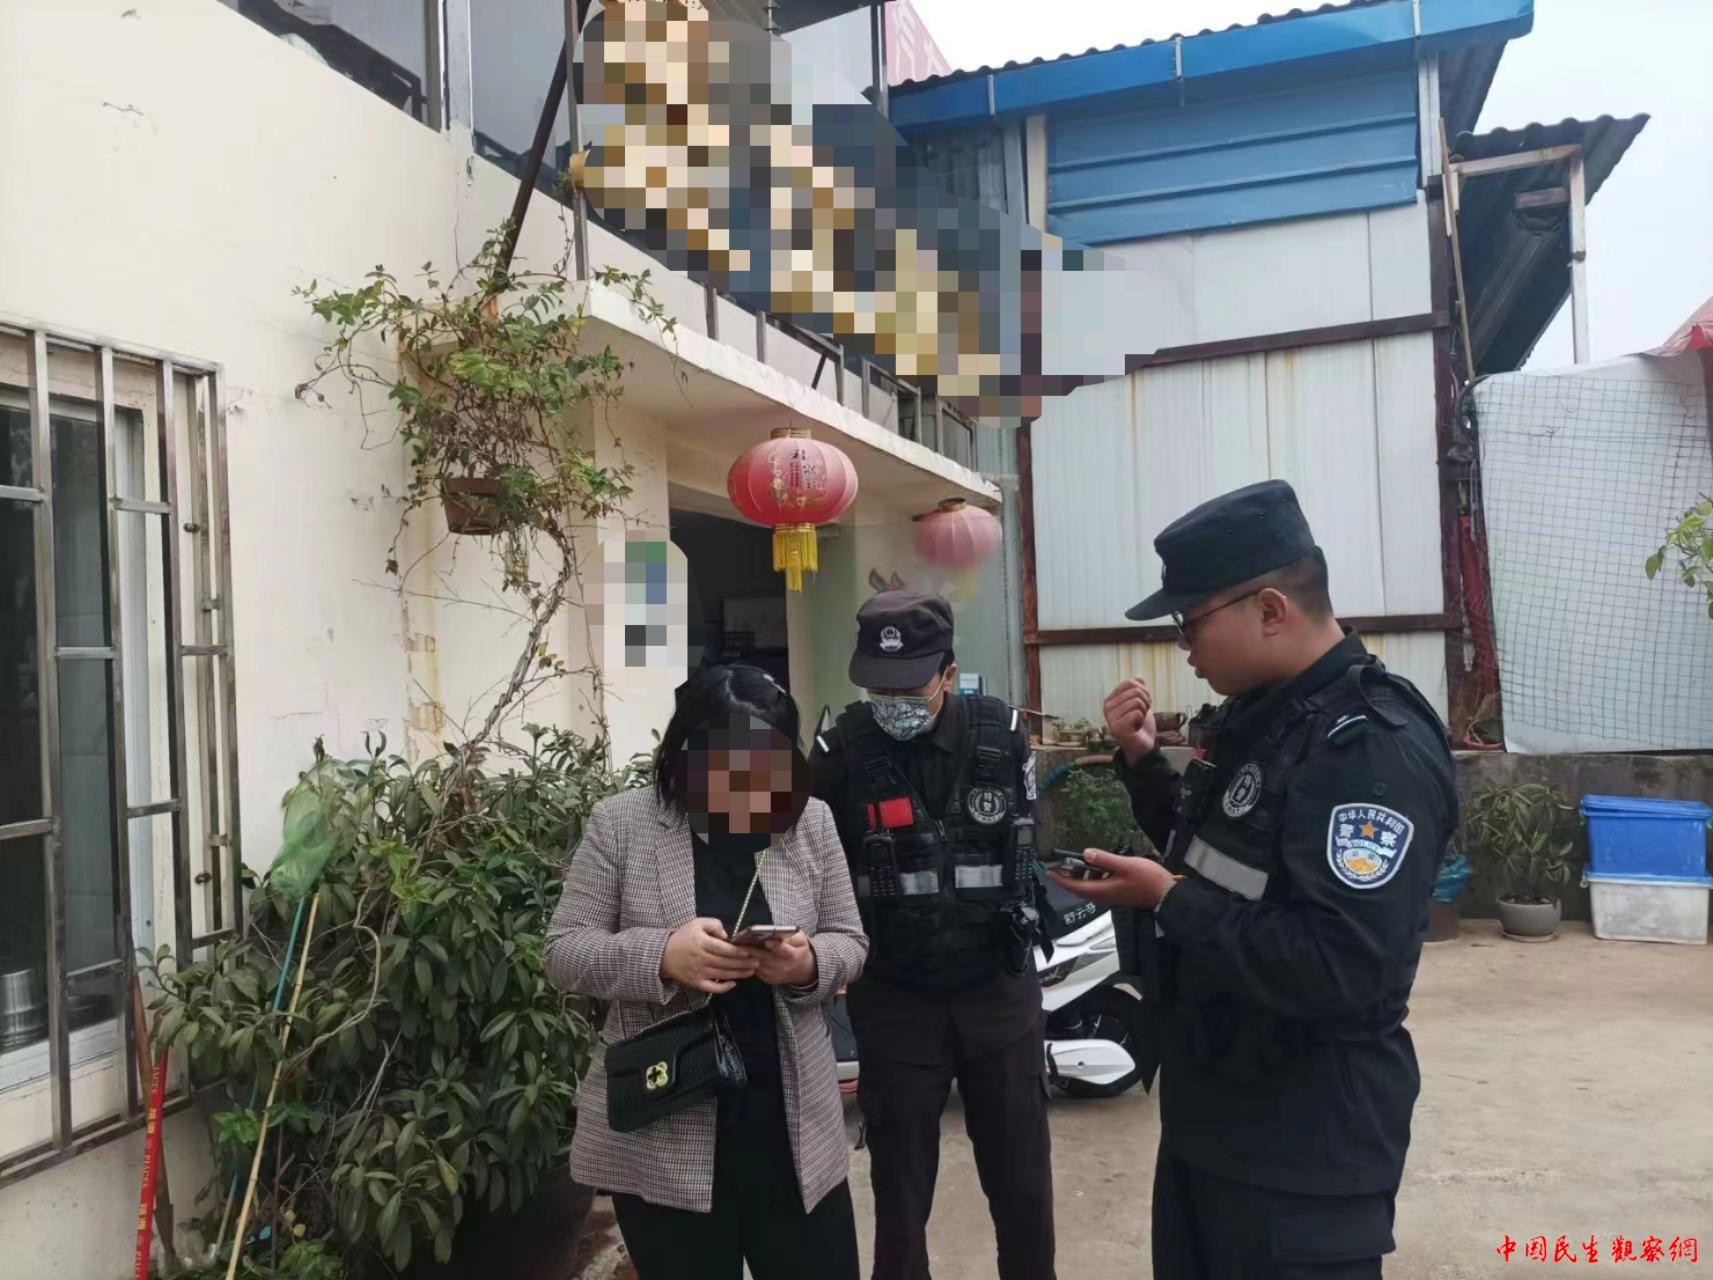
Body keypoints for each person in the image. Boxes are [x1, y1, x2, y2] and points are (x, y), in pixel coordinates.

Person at [1048, 480, 1458, 1279]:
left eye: (1189, 621)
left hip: (1302, 1148)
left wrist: (1167, 899)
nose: (1182, 646)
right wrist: (1141, 761)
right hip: (1214, 1115)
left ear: (1270, 610)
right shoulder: (1265, 716)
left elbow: (1343, 964)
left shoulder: (1367, 749)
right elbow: (1218, 852)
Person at [545, 663, 868, 1280]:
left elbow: (850, 941)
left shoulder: (810, 822)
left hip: (792, 1130)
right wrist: (663, 955)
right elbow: (564, 950)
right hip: (666, 1130)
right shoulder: (624, 824)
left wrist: (806, 963)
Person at [810, 591, 1054, 1280]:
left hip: (997, 993)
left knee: (1023, 1186)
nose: (891, 701)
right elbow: (810, 862)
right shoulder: (837, 753)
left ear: (948, 673)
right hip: (896, 1000)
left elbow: (1025, 841)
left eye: (908, 686)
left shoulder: (1002, 734)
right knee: (899, 1193)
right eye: (877, 687)